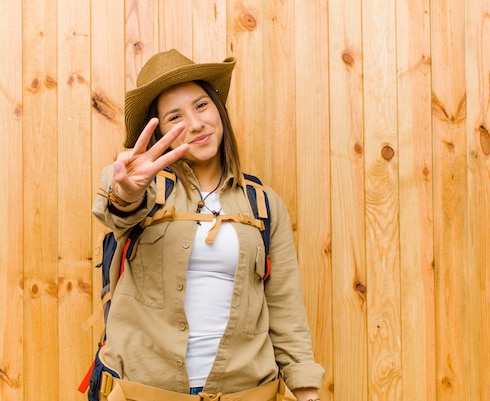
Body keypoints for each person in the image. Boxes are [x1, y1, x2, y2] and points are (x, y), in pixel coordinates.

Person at [92, 49, 324, 401]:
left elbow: (286, 311)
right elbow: (119, 206)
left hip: (246, 391)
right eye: (175, 117)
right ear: (159, 134)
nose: (196, 123)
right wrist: (124, 191)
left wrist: (306, 391)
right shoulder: (143, 188)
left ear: (218, 108)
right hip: (145, 391)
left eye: (201, 105)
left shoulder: (262, 204)